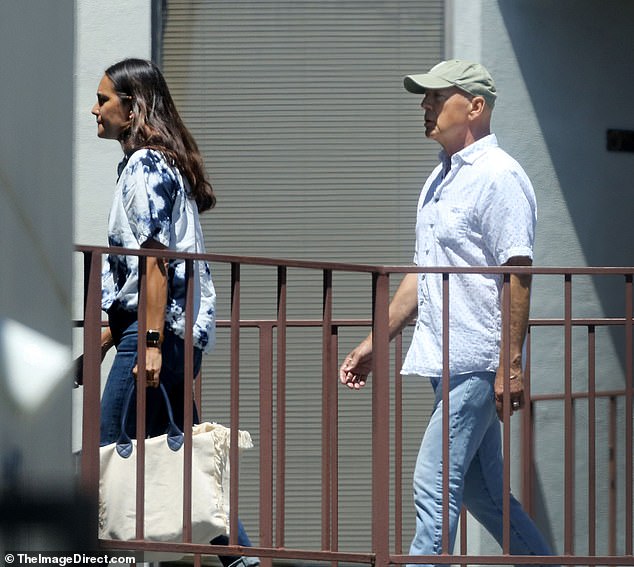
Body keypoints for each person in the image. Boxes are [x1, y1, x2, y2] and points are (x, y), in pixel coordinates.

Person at [339, 60, 553, 564]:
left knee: (433, 480)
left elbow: (518, 272)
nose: (426, 106)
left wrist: (511, 363)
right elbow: (423, 274)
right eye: (426, 97)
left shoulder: (500, 176)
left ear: (475, 107)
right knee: (484, 495)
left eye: (437, 97)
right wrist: (377, 340)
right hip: (445, 359)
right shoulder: (438, 181)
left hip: (479, 358)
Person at [91, 58, 257, 567]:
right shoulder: (150, 164)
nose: (93, 109)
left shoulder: (145, 165)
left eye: (103, 100)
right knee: (183, 458)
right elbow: (133, 275)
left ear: (133, 106)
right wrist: (97, 344)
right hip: (161, 330)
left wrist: (152, 343)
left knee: (108, 449)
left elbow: (155, 261)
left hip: (153, 331)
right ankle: (240, 558)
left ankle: (110, 556)